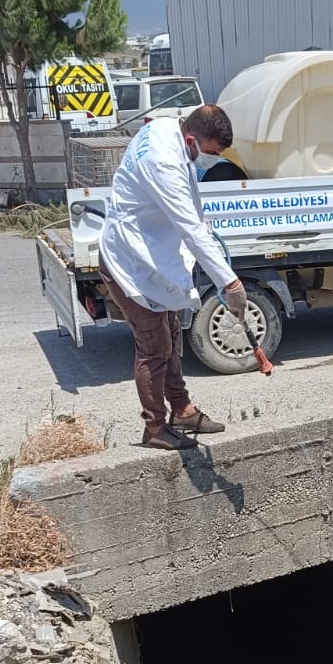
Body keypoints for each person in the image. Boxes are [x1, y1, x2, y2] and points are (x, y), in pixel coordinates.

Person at [98, 104, 250, 452]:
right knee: (154, 348)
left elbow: (192, 215)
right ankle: (154, 428)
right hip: (131, 261)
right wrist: (232, 285)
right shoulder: (163, 162)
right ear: (193, 138)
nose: (211, 160)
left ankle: (182, 410)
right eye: (211, 153)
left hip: (153, 252)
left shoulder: (168, 128)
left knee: (170, 335)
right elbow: (191, 230)